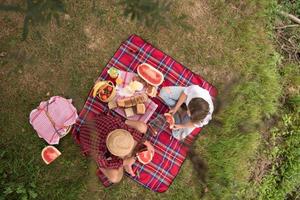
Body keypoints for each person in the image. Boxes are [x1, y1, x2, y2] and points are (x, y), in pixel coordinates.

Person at [78, 113, 154, 183]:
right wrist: (124, 162)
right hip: (86, 135)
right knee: (115, 178)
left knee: (143, 127)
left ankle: (127, 158)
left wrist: (146, 142)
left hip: (98, 124)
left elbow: (132, 131)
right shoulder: (99, 151)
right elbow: (106, 164)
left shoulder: (119, 126)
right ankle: (115, 164)